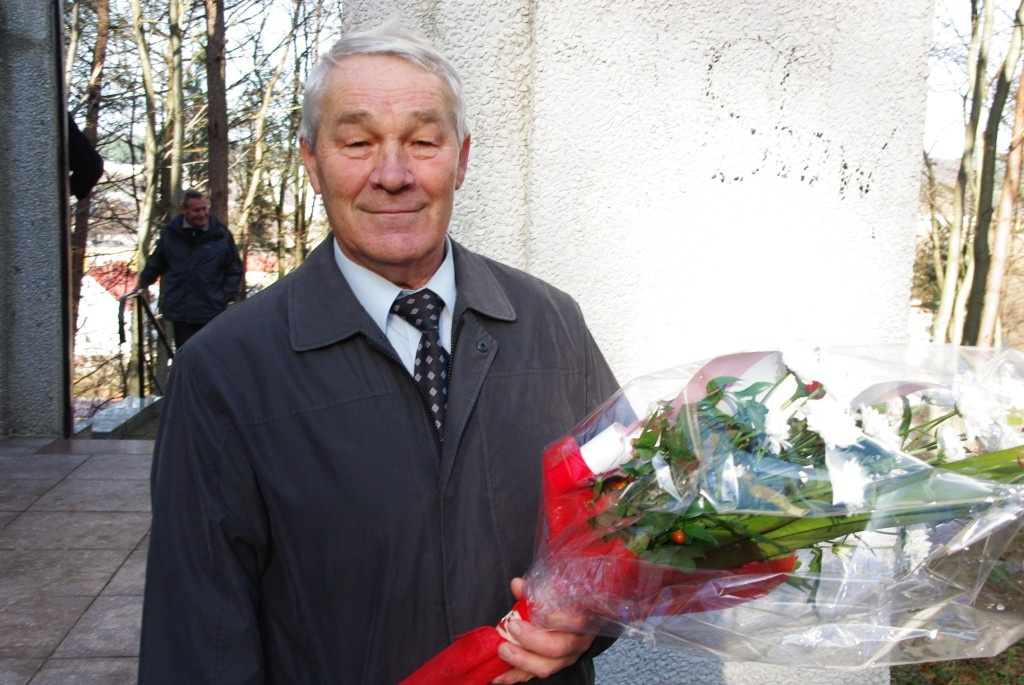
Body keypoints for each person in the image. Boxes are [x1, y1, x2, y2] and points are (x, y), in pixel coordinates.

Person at [138, 24, 618, 685]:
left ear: (461, 158)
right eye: (358, 143)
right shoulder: (225, 370)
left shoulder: (552, 323)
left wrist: (590, 616)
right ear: (312, 161)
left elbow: (630, 529)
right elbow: (198, 641)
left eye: (422, 142)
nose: (392, 175)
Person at [133, 189, 244, 349]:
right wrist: (143, 283)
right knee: (185, 357)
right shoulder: (171, 234)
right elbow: (157, 262)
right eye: (196, 210)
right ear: (183, 210)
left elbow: (234, 269)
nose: (202, 214)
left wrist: (225, 296)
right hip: (181, 310)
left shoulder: (220, 235)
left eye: (204, 209)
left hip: (211, 309)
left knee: (209, 358)